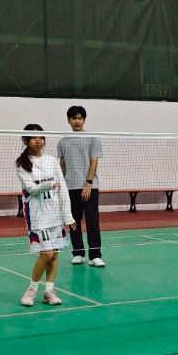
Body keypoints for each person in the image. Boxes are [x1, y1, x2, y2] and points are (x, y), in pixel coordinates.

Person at [16, 124, 75, 307]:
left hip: (55, 213)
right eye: (33, 137)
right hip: (37, 214)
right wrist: (50, 184)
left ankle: (49, 292)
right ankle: (31, 290)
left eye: (41, 137)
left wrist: (68, 215)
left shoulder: (52, 161)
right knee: (46, 254)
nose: (38, 141)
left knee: (55, 255)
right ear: (26, 140)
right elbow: (31, 188)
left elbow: (62, 188)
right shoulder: (22, 163)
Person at [59, 105, 105, 268]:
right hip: (70, 187)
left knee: (92, 222)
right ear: (69, 120)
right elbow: (62, 164)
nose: (77, 121)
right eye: (74, 118)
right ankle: (78, 253)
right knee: (73, 221)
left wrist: (88, 183)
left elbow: (94, 162)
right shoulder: (63, 141)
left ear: (84, 120)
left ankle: (95, 255)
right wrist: (61, 186)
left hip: (90, 187)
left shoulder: (93, 139)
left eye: (80, 118)